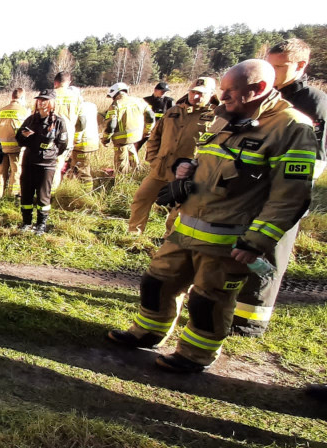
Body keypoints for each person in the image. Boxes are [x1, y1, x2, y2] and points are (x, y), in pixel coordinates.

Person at [106, 59, 317, 374]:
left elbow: (291, 196)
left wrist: (255, 242)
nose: (223, 95)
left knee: (208, 300)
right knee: (157, 281)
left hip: (228, 239)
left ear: (258, 89)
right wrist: (187, 170)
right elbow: (211, 158)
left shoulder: (291, 128)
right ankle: (148, 331)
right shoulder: (227, 116)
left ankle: (195, 354)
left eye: (230, 90)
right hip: (186, 225)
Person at [235, 38, 327, 338]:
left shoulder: (312, 102)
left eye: (279, 67)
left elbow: (314, 158)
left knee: (269, 250)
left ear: (301, 66)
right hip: (250, 187)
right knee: (241, 247)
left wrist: (289, 194)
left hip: (281, 190)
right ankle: (229, 306)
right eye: (269, 65)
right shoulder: (265, 94)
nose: (271, 72)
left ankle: (251, 320)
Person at [127, 78, 217, 235]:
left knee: (178, 212)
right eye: (193, 92)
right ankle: (134, 233)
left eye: (200, 94)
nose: (195, 97)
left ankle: (168, 241)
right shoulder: (173, 111)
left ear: (211, 94)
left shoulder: (215, 117)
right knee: (141, 198)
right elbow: (155, 136)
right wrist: (153, 159)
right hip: (160, 168)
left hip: (187, 175)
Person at [16, 89, 69, 235]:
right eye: (39, 99)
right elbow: (19, 140)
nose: (41, 102)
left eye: (44, 100)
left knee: (43, 195)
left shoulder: (59, 122)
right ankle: (26, 222)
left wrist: (49, 152)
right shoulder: (31, 120)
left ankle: (41, 224)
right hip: (29, 162)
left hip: (47, 164)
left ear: (51, 103)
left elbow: (62, 144)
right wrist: (28, 137)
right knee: (26, 194)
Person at [102, 82, 155, 179]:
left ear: (115, 94)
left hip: (121, 139)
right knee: (131, 152)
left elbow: (111, 125)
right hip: (136, 136)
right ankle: (137, 175)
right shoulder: (139, 101)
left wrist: (106, 138)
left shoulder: (116, 105)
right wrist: (147, 130)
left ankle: (122, 181)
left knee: (121, 161)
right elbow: (151, 116)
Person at [0, 88, 31, 197]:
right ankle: (12, 195)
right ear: (22, 97)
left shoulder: (2, 110)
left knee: (0, 171)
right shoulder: (24, 111)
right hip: (15, 147)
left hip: (1, 146)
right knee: (16, 172)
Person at [51, 72, 84, 189]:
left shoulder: (49, 95)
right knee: (58, 166)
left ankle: (44, 193)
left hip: (49, 137)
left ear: (55, 83)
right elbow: (82, 120)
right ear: (68, 82)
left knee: (46, 166)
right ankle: (52, 194)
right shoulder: (76, 97)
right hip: (67, 138)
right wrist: (77, 137)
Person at [64, 100, 100, 189]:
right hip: (92, 140)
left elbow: (81, 124)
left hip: (82, 143)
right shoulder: (91, 105)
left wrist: (75, 140)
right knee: (74, 167)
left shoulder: (79, 107)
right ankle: (69, 189)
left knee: (83, 171)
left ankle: (86, 194)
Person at [139, 82, 176, 150]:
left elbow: (173, 118)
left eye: (165, 91)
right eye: (162, 91)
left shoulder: (169, 101)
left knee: (159, 149)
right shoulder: (145, 100)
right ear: (155, 90)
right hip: (146, 129)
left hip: (161, 130)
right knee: (135, 146)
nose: (164, 93)